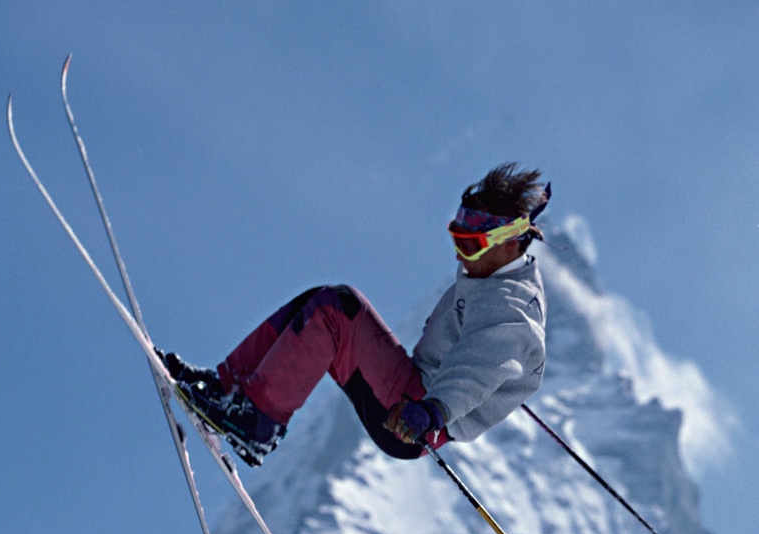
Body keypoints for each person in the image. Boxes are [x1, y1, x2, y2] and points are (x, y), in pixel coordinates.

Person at [159, 162, 550, 467]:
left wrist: (433, 410)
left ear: (509, 243)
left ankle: (256, 423)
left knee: (336, 310)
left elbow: (483, 365)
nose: (460, 256)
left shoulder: (511, 307)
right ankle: (229, 386)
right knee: (323, 302)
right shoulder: (494, 274)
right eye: (456, 241)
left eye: (470, 245)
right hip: (416, 396)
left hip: (415, 417)